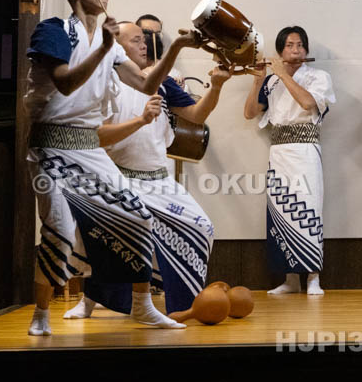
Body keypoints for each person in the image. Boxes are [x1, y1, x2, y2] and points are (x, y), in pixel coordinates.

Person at [24, 0, 200, 335]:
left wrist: (178, 48)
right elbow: (66, 83)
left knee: (137, 215)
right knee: (58, 227)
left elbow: (147, 81)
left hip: (89, 147)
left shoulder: (113, 47)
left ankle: (142, 305)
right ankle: (41, 313)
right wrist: (104, 47)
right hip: (51, 145)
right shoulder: (53, 30)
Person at [63, 22, 231, 320]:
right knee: (106, 237)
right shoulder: (104, 84)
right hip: (119, 178)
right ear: (118, 49)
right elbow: (97, 135)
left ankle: (184, 304)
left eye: (146, 40)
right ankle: (90, 300)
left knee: (202, 228)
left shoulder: (163, 83)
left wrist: (217, 86)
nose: (144, 45)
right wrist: (140, 120)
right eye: (137, 40)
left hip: (159, 180)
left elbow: (196, 115)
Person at [244, 26, 335, 296]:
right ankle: (290, 279)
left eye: (300, 46)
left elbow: (308, 104)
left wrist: (282, 74)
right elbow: (250, 113)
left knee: (309, 210)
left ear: (306, 50)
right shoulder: (271, 82)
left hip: (306, 150)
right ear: (280, 51)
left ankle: (313, 278)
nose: (295, 51)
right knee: (282, 212)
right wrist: (258, 79)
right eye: (289, 46)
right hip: (279, 152)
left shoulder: (319, 76)